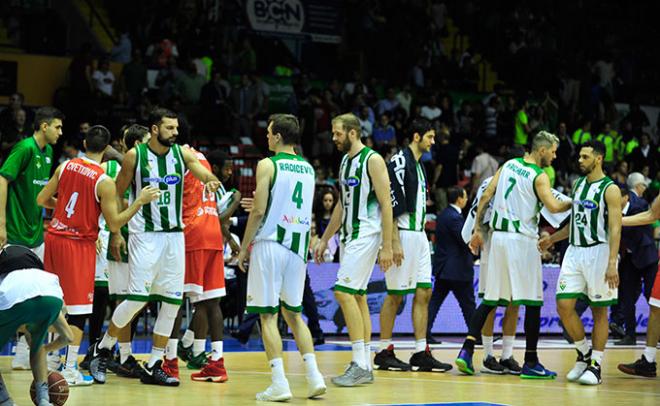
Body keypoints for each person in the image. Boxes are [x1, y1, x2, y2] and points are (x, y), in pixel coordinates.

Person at [87, 108, 222, 387]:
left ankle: (154, 364)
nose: (175, 132)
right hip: (144, 235)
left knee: (172, 302)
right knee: (138, 298)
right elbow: (118, 193)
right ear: (154, 129)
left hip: (174, 236)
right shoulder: (135, 156)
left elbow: (198, 170)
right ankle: (102, 347)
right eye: (169, 128)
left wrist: (210, 179)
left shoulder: (182, 155)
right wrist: (116, 232)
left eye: (176, 128)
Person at [36, 125, 160, 386]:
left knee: (55, 303)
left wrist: (67, 212)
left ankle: (47, 360)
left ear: (83, 143)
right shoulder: (103, 181)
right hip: (78, 245)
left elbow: (42, 199)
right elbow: (115, 224)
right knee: (79, 311)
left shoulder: (65, 166)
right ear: (106, 149)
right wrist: (139, 203)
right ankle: (69, 368)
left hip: (54, 239)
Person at [456, 131, 572, 378]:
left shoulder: (509, 164)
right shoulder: (539, 176)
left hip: (497, 238)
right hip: (521, 241)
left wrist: (477, 228)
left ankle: (466, 350)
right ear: (542, 150)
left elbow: (486, 195)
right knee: (531, 302)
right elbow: (553, 207)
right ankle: (531, 361)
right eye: (552, 151)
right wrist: (574, 201)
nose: (554, 156)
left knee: (490, 298)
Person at [237, 114, 326, 401]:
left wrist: (243, 247)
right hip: (297, 248)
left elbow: (260, 211)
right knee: (295, 315)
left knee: (267, 315)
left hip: (271, 244)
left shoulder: (267, 164)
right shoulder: (309, 169)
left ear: (277, 136)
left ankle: (279, 383)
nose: (266, 136)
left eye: (269, 132)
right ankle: (314, 377)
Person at [314, 113, 394, 387]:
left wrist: (388, 244)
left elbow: (386, 203)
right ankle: (365, 364)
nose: (333, 138)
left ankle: (359, 363)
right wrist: (325, 238)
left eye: (337, 133)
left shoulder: (372, 160)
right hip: (348, 237)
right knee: (358, 296)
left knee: (342, 291)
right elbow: (341, 204)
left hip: (367, 235)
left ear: (352, 133)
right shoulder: (346, 161)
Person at [539, 141, 622, 385]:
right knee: (563, 305)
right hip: (574, 252)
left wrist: (611, 263)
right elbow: (574, 222)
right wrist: (552, 239)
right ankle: (584, 354)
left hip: (599, 252)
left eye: (585, 157)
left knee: (599, 310)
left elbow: (615, 229)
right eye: (580, 156)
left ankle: (595, 365)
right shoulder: (577, 185)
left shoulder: (610, 189)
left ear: (599, 158)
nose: (580, 160)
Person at [375, 118, 451, 372]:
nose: (433, 141)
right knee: (396, 296)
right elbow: (389, 202)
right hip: (403, 235)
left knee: (423, 293)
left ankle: (420, 351)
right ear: (416, 137)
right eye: (429, 136)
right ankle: (383, 350)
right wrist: (393, 241)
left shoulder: (419, 166)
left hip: (419, 236)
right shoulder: (398, 161)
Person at [0, 106, 63, 370]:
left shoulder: (48, 153)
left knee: (34, 296)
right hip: (14, 233)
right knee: (13, 295)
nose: (61, 132)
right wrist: (1, 222)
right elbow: (2, 179)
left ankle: (26, 352)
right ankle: (17, 351)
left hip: (36, 233)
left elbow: (40, 195)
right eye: (57, 127)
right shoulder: (24, 148)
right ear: (44, 126)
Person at [169, 146, 235, 383]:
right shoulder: (205, 161)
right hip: (213, 231)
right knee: (211, 302)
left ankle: (169, 362)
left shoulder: (178, 158)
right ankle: (215, 361)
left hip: (192, 232)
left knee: (174, 298)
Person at [0, 245, 74, 406]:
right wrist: (44, 349)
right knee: (36, 343)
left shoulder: (8, 271)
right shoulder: (41, 277)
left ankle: (5, 400)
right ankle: (44, 400)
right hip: (52, 295)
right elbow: (68, 337)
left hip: (14, 296)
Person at [616, 194, 660, 377]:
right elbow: (651, 215)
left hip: (647, 258)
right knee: (656, 306)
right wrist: (617, 219)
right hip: (642, 260)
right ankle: (648, 361)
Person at [427, 187, 475, 347]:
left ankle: (424, 332)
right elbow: (464, 239)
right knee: (468, 304)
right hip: (457, 270)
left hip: (444, 268)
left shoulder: (443, 215)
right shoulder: (455, 218)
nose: (467, 200)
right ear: (459, 199)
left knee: (435, 302)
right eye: (465, 196)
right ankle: (476, 335)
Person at [615, 174, 657, 345]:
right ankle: (629, 335)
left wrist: (616, 222)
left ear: (625, 197)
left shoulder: (639, 205)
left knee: (651, 296)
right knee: (627, 297)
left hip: (646, 257)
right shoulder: (612, 210)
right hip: (629, 258)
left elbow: (632, 230)